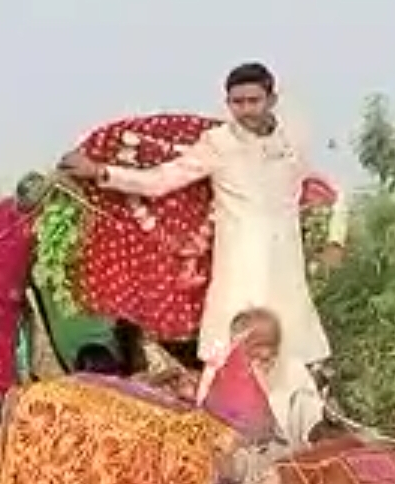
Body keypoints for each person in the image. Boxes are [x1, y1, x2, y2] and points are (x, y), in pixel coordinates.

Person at [61, 62, 347, 380]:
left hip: (285, 265)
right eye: (237, 103)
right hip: (238, 266)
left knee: (292, 355)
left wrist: (336, 240)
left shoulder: (292, 142)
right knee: (228, 355)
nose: (246, 110)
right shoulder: (217, 143)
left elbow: (336, 190)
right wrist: (102, 172)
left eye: (254, 101)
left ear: (271, 99)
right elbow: (161, 180)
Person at [197, 308, 326, 447]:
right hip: (236, 430)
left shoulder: (290, 376)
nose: (268, 353)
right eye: (260, 345)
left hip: (263, 435)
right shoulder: (229, 366)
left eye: (272, 345)